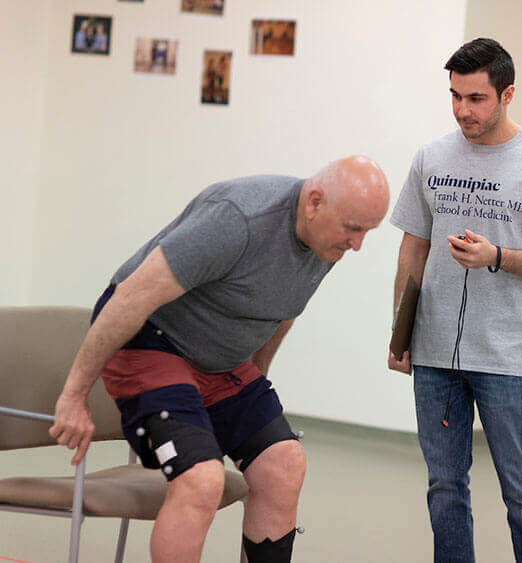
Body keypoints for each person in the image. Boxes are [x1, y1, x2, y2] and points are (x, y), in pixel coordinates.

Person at [50, 156, 390, 563]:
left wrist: (255, 384)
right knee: (202, 479)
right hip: (152, 339)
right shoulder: (240, 218)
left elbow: (283, 309)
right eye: (353, 230)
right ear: (314, 202)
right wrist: (74, 395)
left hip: (220, 357)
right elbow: (131, 295)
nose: (358, 246)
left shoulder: (325, 243)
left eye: (367, 233)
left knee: (283, 463)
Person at [389, 38, 522, 562]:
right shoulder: (431, 157)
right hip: (434, 356)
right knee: (444, 489)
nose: (462, 110)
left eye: (475, 98)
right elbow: (413, 247)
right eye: (454, 96)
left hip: (506, 357)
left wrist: (498, 256)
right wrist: (399, 332)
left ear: (507, 94)